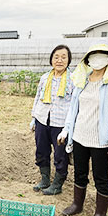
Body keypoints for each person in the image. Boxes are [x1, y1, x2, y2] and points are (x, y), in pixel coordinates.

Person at [58, 42, 108, 216]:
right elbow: (73, 109)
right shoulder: (83, 80)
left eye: (102, 55)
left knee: (100, 176)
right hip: (79, 135)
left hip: (100, 139)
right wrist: (66, 129)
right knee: (80, 172)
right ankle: (77, 205)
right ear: (88, 60)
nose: (98, 59)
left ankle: (99, 214)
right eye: (94, 55)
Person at [30, 45, 75, 195]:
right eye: (56, 57)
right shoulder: (45, 78)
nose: (59, 60)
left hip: (61, 124)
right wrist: (34, 118)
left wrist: (70, 127)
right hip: (42, 119)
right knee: (41, 151)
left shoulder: (73, 80)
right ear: (51, 60)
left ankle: (57, 184)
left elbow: (76, 105)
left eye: (63, 57)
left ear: (69, 60)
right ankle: (45, 179)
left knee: (60, 155)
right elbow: (37, 98)